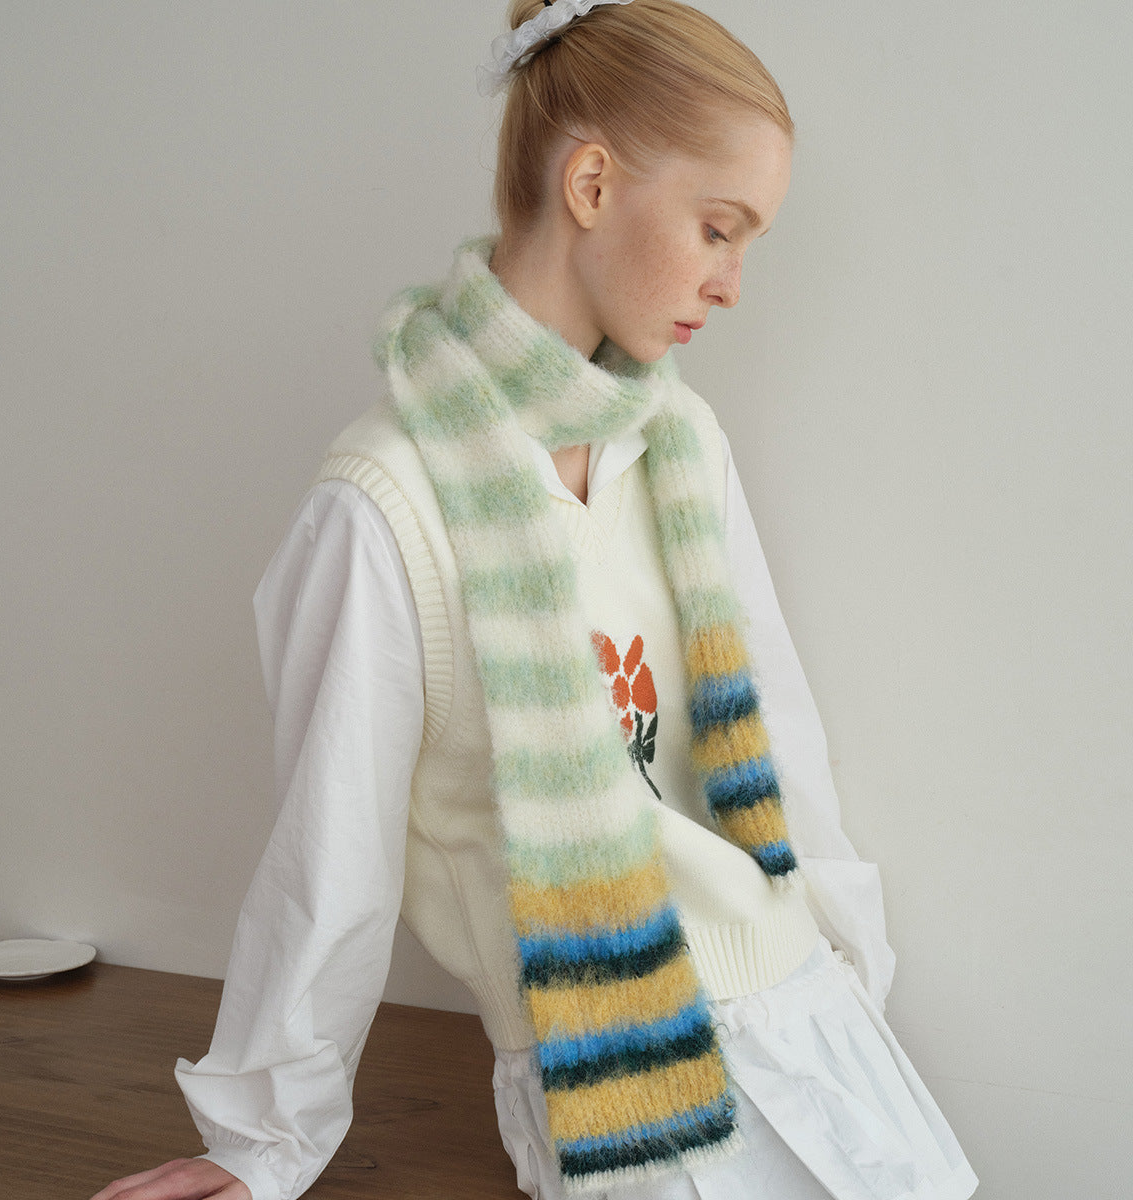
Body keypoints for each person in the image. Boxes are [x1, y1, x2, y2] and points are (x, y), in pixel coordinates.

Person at [90, 3, 979, 1198]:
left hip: (819, 1041)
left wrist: (851, 986)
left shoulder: (677, 440)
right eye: (719, 229)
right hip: (619, 1096)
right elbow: (331, 854)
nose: (731, 285)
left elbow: (780, 735)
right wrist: (263, 1147)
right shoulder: (385, 507)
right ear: (593, 184)